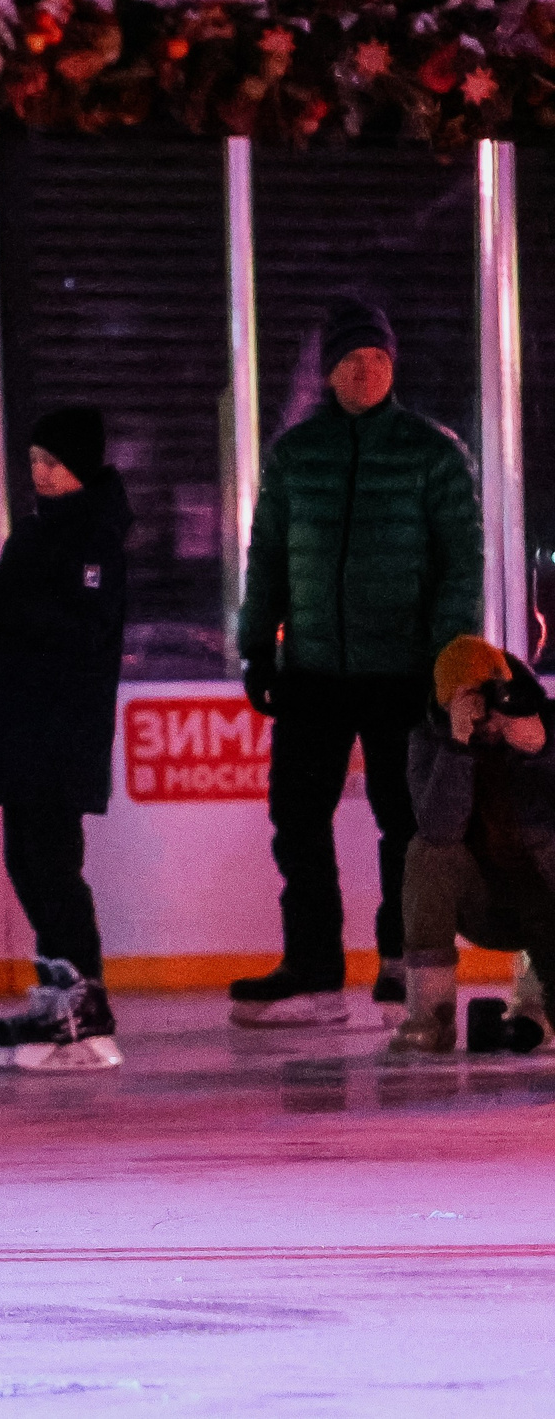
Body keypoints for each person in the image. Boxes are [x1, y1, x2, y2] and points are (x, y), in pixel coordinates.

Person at [233, 299, 484, 1026]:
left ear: (392, 365)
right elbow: (268, 558)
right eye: (351, 359)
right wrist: (257, 644)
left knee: (403, 819)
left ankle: (401, 961)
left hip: (400, 672)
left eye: (376, 357)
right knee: (297, 816)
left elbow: (459, 567)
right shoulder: (294, 454)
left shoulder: (433, 453)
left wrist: (445, 664)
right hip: (312, 668)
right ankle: (312, 966)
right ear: (330, 371)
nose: (366, 369)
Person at [0, 406, 131, 1071]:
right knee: (27, 859)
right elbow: (3, 627)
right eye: (34, 460)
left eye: (53, 462)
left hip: (63, 724)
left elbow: (81, 628)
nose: (39, 472)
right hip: (22, 721)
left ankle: (84, 998)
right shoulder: (33, 538)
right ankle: (60, 989)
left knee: (52, 862)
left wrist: (2, 600)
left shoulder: (97, 540)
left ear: (83, 466)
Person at [391, 638, 555, 1054]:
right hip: (479, 898)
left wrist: (543, 751)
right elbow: (439, 830)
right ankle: (431, 1014)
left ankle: (537, 1006)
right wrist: (457, 746)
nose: (487, 725)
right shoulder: (430, 739)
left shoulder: (546, 723)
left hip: (546, 894)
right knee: (426, 853)